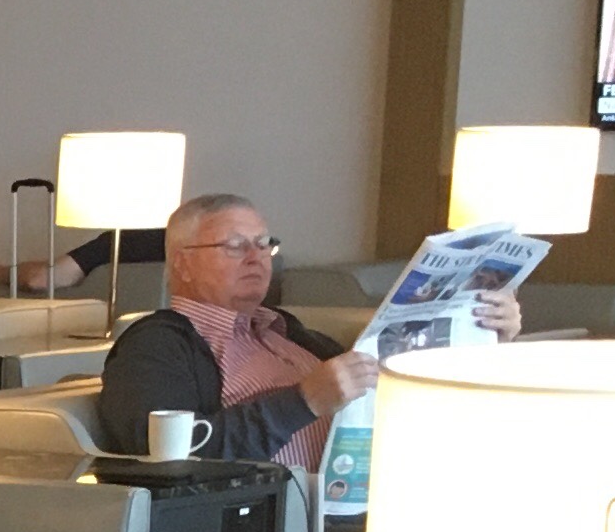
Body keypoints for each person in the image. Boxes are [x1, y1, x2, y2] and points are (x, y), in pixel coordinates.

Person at [99, 193, 518, 470]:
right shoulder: (157, 344)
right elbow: (167, 458)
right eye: (235, 246)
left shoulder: (288, 333)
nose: (256, 257)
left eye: (264, 243)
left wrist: (483, 336)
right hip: (281, 525)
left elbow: (391, 391)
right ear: (182, 263)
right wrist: (303, 402)